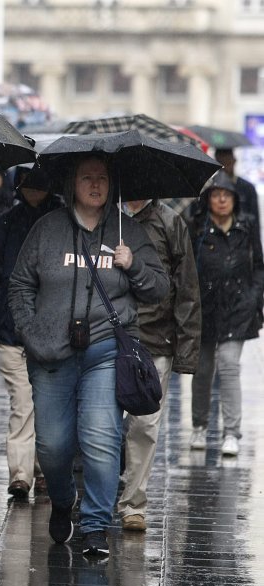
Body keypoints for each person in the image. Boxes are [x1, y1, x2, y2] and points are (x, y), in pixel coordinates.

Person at [9, 154, 168, 557]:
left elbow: (159, 289)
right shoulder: (48, 229)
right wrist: (31, 332)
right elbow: (20, 285)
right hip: (51, 355)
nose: (95, 185)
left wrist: (133, 267)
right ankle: (64, 500)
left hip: (105, 352)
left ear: (112, 185)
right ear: (72, 183)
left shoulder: (127, 230)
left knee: (101, 438)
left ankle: (96, 524)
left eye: (102, 178)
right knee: (52, 446)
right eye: (86, 177)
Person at [117, 197, 200, 531]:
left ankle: (133, 503)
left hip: (155, 340)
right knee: (102, 423)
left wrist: (187, 351)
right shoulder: (107, 218)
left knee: (145, 424)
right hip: (107, 334)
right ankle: (101, 492)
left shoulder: (170, 222)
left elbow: (187, 289)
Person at [0, 164, 63, 500]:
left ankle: (43, 470)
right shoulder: (6, 224)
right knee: (23, 402)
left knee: (48, 404)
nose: (32, 191)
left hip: (53, 331)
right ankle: (21, 473)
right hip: (12, 330)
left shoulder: (62, 223)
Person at [188, 172, 264, 456]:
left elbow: (259, 264)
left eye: (226, 195)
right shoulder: (196, 227)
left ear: (234, 199)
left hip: (237, 308)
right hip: (204, 308)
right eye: (216, 195)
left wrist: (254, 296)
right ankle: (199, 425)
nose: (221, 200)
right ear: (207, 200)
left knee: (230, 366)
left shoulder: (247, 227)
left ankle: (231, 432)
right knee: (203, 369)